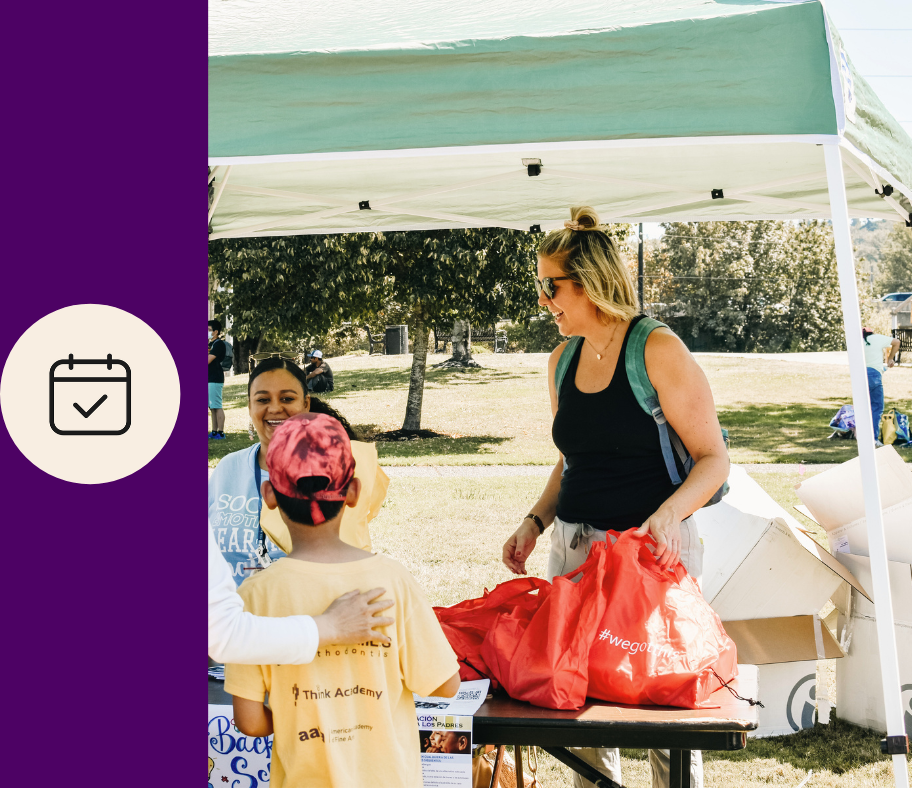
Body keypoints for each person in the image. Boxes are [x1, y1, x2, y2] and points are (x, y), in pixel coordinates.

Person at [501, 207, 729, 788]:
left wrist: (668, 514)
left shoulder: (656, 348)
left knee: (660, 696)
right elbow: (571, 460)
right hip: (576, 553)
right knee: (581, 698)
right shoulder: (561, 360)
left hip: (651, 557)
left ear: (590, 283)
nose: (543, 299)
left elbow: (714, 459)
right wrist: (534, 521)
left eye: (550, 286)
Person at [225, 413, 461, 788]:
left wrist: (295, 718)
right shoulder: (392, 580)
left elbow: (251, 722)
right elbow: (446, 685)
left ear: (269, 495)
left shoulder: (255, 595)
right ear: (352, 492)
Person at [209, 357, 388, 586]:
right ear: (250, 406)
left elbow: (352, 549)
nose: (274, 408)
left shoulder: (342, 467)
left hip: (311, 616)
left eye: (287, 398)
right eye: (263, 399)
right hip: (228, 617)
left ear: (306, 404)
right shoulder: (227, 469)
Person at [209, 522, 394, 664]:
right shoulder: (392, 579)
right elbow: (221, 633)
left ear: (269, 496)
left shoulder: (254, 591)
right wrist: (331, 626)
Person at [862, 327, 901, 443]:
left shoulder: (858, 341)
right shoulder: (876, 338)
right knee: (877, 407)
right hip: (874, 375)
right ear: (871, 333)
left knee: (863, 407)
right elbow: (896, 342)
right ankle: (873, 438)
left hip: (860, 375)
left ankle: (861, 436)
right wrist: (890, 359)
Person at [208, 319, 227, 440]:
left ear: (215, 332)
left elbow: (208, 360)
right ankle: (214, 431)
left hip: (215, 378)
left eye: (209, 330)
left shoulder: (219, 344)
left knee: (217, 405)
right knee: (212, 406)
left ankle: (221, 432)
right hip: (209, 377)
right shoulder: (210, 344)